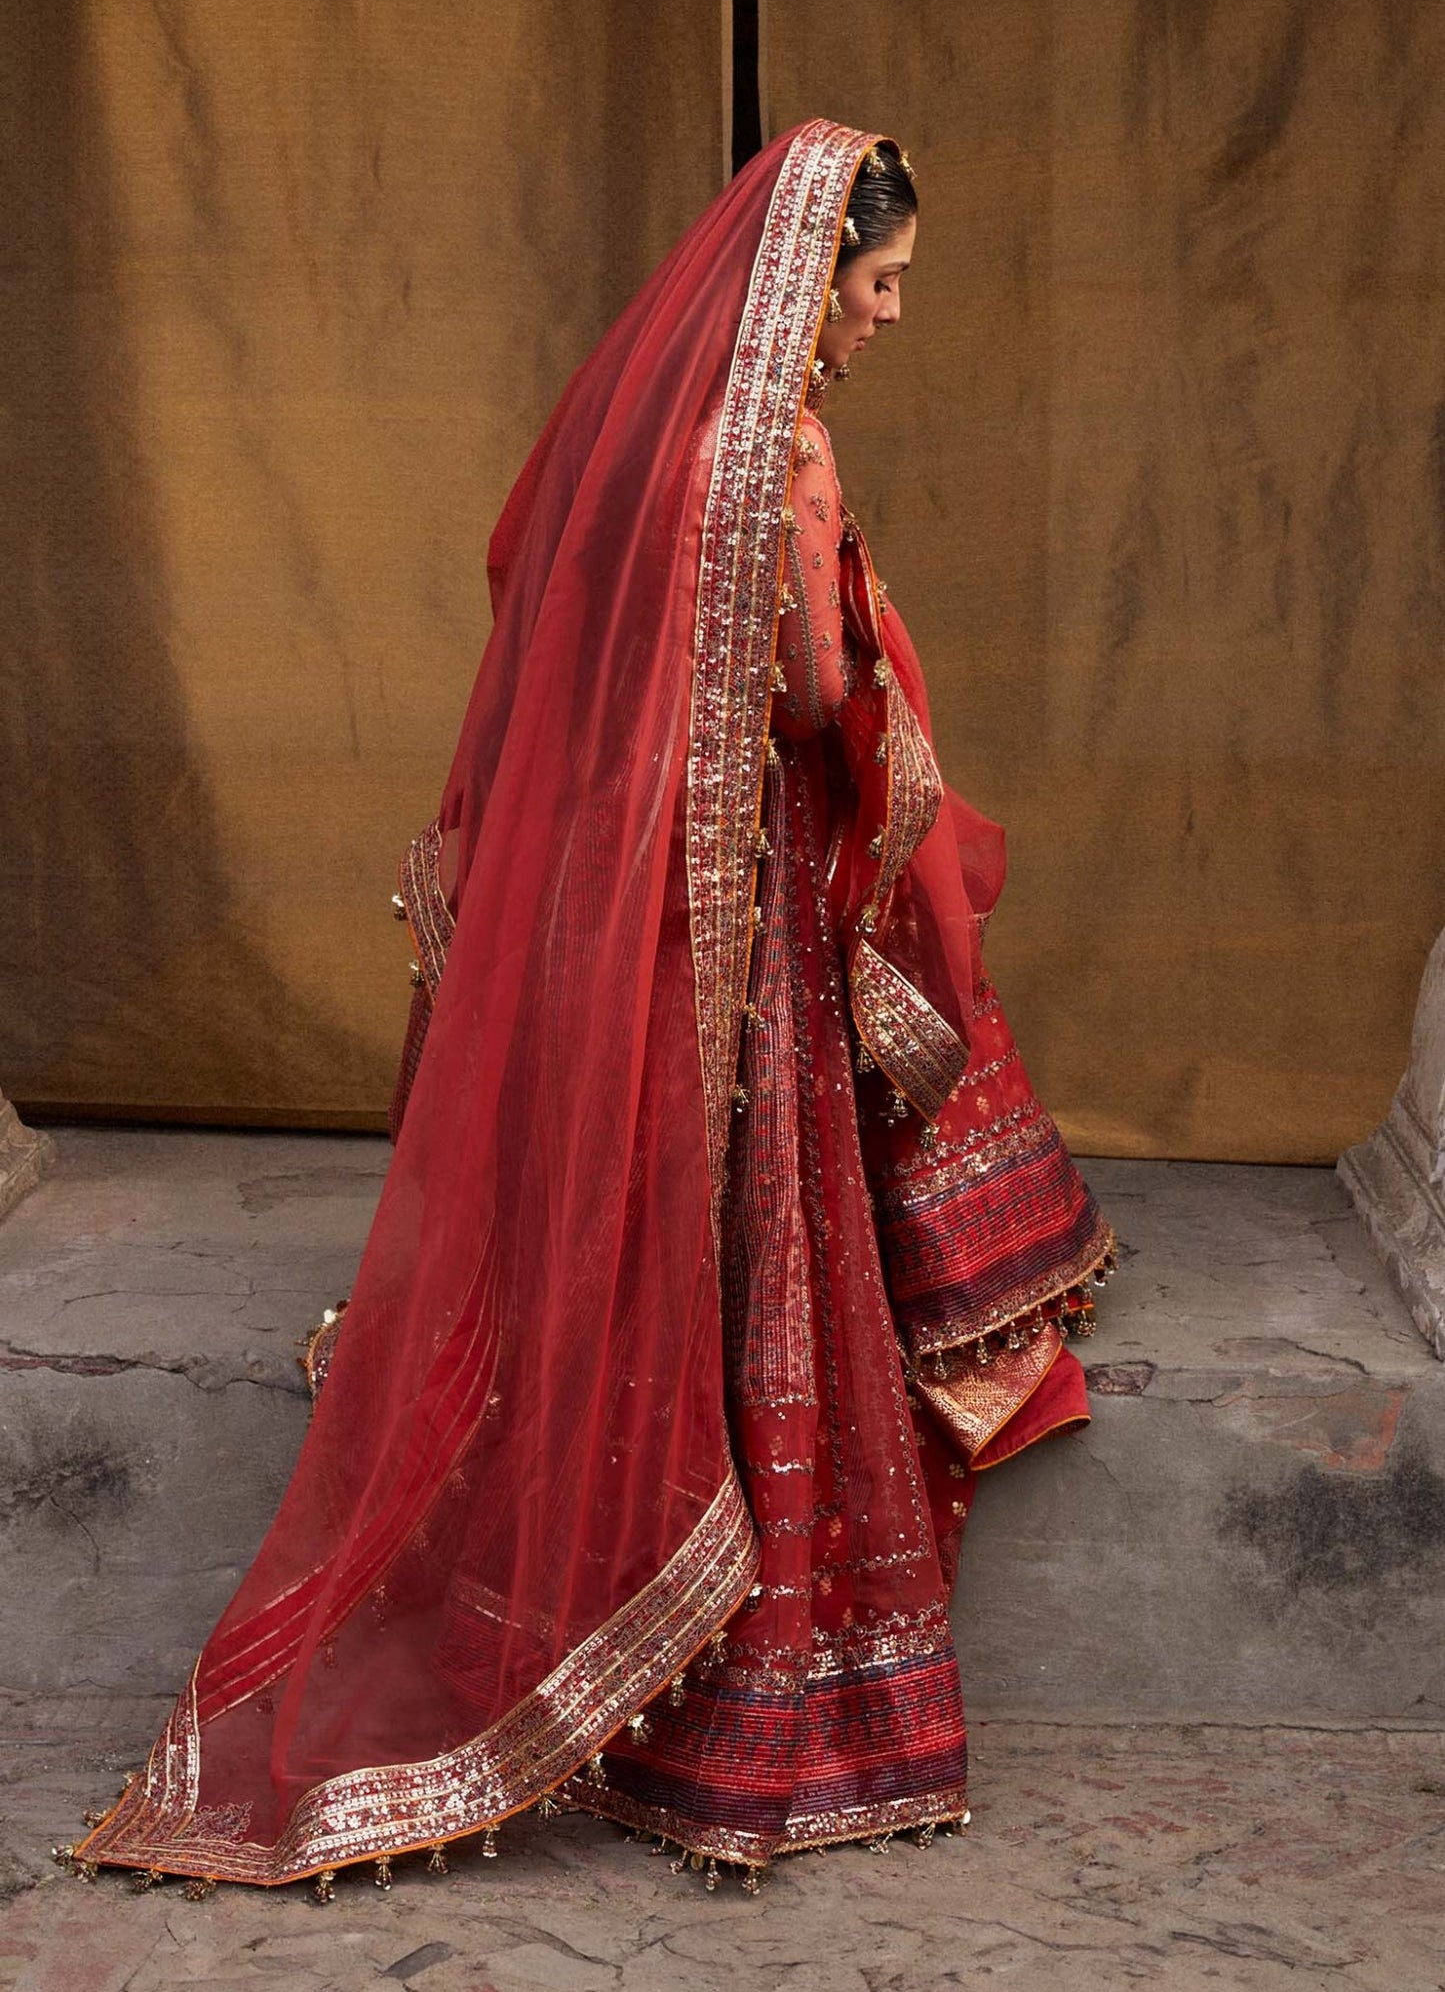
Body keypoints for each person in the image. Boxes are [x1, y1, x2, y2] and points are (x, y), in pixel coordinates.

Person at [69, 119, 1115, 1900]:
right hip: (753, 912)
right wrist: (877, 665)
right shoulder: (774, 449)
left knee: (640, 1221)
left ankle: (598, 1617)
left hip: (618, 913)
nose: (885, 318)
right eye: (877, 285)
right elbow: (803, 699)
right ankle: (758, 1691)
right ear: (811, 276)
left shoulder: (638, 433)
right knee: (776, 1231)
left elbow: (553, 641)